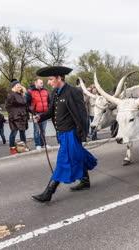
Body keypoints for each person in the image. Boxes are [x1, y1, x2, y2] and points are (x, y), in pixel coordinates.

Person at [32, 66, 97, 203]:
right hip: (61, 133)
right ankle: (85, 181)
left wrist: (82, 133)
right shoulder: (55, 92)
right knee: (78, 155)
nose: (49, 83)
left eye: (50, 79)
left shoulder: (73, 92)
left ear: (59, 78)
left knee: (63, 162)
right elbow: (51, 111)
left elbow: (82, 114)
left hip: (71, 134)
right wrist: (40, 117)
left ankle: (49, 192)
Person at [5, 79, 29, 155]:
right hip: (15, 117)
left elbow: (25, 104)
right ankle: (12, 148)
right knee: (14, 132)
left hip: (22, 116)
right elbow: (7, 106)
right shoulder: (11, 95)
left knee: (23, 132)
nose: (20, 87)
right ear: (14, 87)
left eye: (20, 86)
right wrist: (12, 115)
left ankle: (23, 147)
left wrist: (24, 93)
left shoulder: (21, 94)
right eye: (18, 86)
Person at [26, 78, 51, 150]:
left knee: (43, 130)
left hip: (44, 113)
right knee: (36, 130)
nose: (42, 84)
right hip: (36, 114)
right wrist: (32, 112)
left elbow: (49, 101)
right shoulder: (30, 92)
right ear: (35, 83)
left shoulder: (45, 91)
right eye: (40, 83)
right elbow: (27, 104)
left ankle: (43, 144)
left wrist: (48, 110)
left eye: (42, 83)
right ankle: (38, 144)